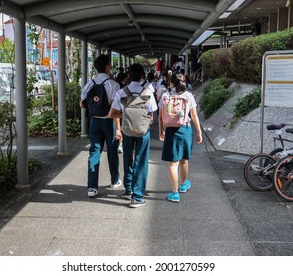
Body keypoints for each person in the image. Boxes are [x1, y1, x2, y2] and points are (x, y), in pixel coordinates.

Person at [109, 63, 158, 208]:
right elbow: (152, 116)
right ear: (142, 76)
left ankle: (128, 189)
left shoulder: (122, 92)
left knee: (127, 158)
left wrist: (126, 115)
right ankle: (137, 197)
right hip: (143, 131)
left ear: (128, 76)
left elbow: (111, 114)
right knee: (141, 160)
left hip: (127, 130)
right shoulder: (148, 91)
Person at [80, 54, 122, 197]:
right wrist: (118, 129)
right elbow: (116, 109)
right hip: (109, 122)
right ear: (107, 66)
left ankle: (92, 188)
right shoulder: (113, 84)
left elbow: (82, 103)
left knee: (94, 152)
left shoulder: (90, 83)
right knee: (112, 152)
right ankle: (115, 180)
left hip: (94, 122)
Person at [158, 73, 203, 203]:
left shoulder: (166, 95)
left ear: (171, 83)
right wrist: (199, 132)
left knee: (173, 163)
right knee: (184, 160)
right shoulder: (188, 95)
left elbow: (161, 117)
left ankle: (174, 193)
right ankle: (183, 185)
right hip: (185, 129)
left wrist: (161, 131)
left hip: (171, 131)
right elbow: (194, 115)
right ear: (184, 82)